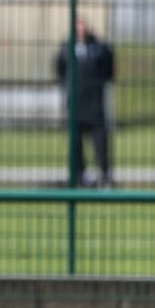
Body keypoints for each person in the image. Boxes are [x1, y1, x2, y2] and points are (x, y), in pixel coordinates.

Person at [55, 16, 116, 188]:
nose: (81, 30)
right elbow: (60, 70)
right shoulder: (66, 49)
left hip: (95, 105)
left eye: (83, 26)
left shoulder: (99, 48)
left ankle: (104, 175)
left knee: (101, 143)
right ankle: (80, 175)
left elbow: (108, 70)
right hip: (75, 105)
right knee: (76, 144)